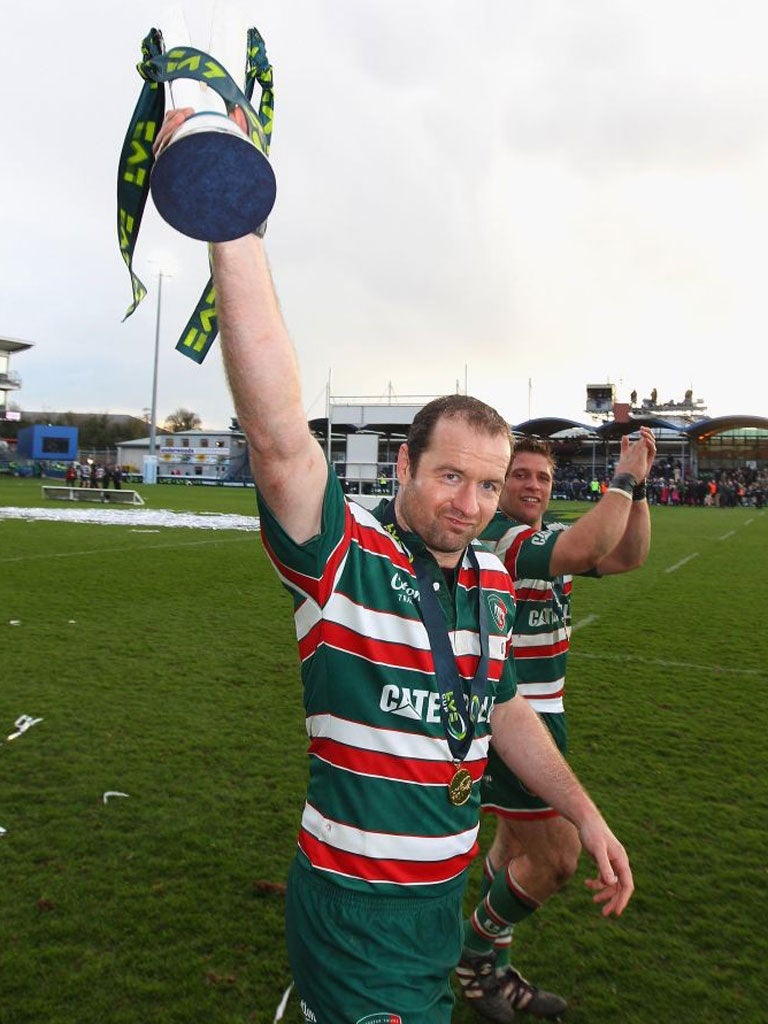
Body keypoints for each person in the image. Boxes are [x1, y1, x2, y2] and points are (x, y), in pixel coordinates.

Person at [154, 108, 634, 1024]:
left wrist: (585, 812)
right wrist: (235, 218)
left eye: (489, 485)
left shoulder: (493, 578)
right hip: (356, 908)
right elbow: (280, 436)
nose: (470, 501)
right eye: (450, 475)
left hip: (434, 904)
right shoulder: (346, 560)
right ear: (404, 465)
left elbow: (500, 707)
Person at [457, 430, 655, 1022]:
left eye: (543, 477)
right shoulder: (503, 536)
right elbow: (586, 545)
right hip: (512, 725)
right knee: (559, 860)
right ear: (501, 478)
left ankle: (488, 961)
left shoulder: (544, 536)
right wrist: (621, 476)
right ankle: (472, 961)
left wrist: (638, 488)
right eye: (521, 475)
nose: (533, 486)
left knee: (517, 847)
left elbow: (626, 555)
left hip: (544, 715)